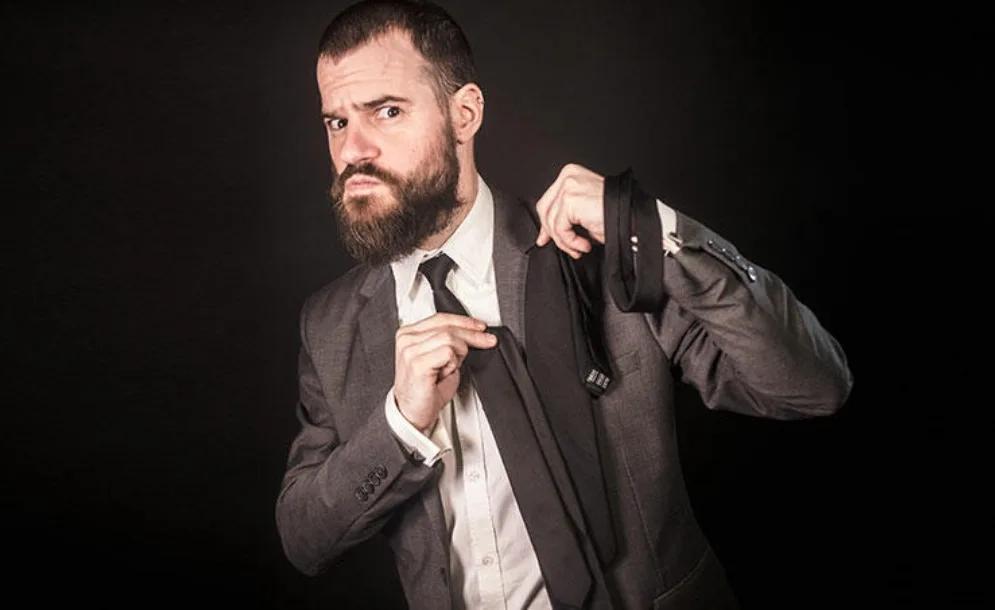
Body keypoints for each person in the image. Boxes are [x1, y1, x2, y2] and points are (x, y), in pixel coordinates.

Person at [274, 1, 853, 609]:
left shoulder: (599, 257)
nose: (353, 149)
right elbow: (305, 540)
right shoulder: (330, 325)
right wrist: (400, 423)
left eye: (387, 111)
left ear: (464, 114)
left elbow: (813, 387)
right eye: (336, 121)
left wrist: (650, 229)